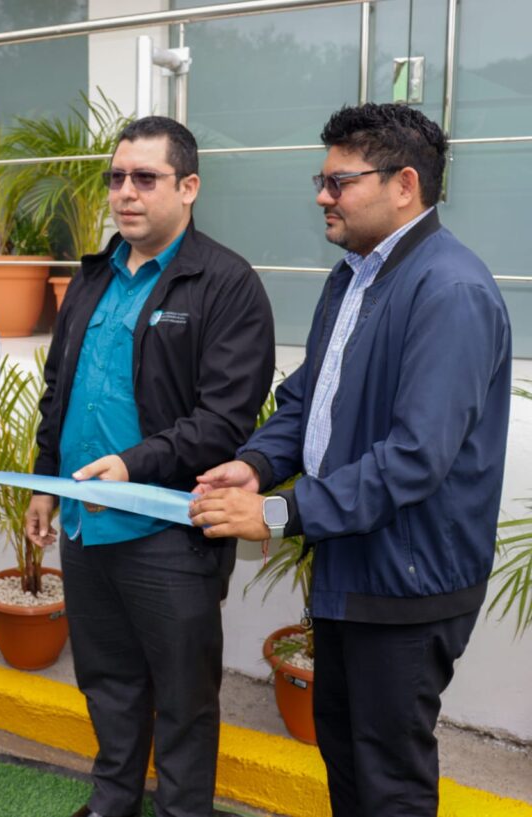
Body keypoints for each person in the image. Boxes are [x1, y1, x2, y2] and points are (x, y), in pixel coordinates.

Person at [190, 103, 512, 817]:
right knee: (345, 750)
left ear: (404, 185)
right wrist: (256, 464)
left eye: (339, 182)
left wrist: (280, 510)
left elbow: (414, 457)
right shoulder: (354, 277)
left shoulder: (450, 290)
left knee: (387, 778)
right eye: (322, 179)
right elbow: (307, 401)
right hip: (353, 561)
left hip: (407, 579)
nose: (321, 196)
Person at [26, 116, 275, 817]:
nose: (124, 193)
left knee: (184, 696)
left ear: (189, 186)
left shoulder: (225, 284)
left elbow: (226, 419)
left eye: (146, 178)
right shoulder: (93, 277)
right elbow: (59, 387)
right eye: (116, 178)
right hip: (83, 520)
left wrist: (133, 466)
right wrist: (45, 478)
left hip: (169, 530)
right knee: (105, 680)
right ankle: (113, 800)